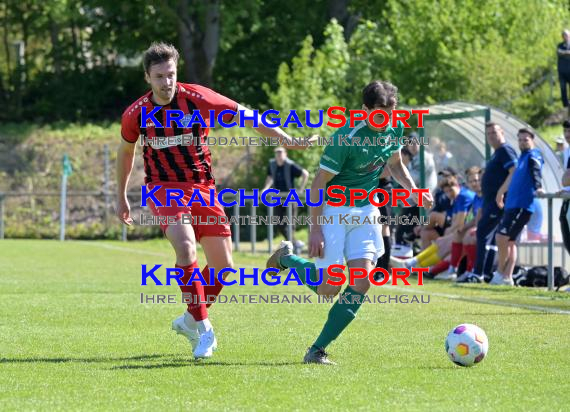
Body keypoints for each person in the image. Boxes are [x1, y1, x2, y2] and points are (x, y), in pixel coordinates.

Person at [116, 42, 310, 359]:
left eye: (171, 74)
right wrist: (121, 195)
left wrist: (287, 139)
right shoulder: (136, 114)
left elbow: (248, 116)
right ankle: (204, 330)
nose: (167, 82)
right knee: (186, 246)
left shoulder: (198, 98)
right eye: (160, 76)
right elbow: (126, 152)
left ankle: (190, 317)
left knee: (223, 268)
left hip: (202, 188)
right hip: (163, 188)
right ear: (147, 78)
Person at [265, 80, 433, 365]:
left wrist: (414, 191)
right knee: (328, 289)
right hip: (332, 211)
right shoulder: (346, 137)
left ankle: (317, 350)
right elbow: (318, 184)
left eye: (391, 112)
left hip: (366, 209)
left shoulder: (395, 128)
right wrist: (315, 229)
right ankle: (288, 260)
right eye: (380, 113)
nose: (387, 118)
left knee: (363, 280)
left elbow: (394, 164)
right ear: (364, 110)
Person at [461, 123, 518, 283]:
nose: (491, 136)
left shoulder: (506, 150)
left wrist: (501, 192)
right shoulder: (497, 153)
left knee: (483, 233)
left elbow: (514, 171)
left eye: (494, 132)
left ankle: (479, 273)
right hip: (490, 202)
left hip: (498, 202)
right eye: (488, 134)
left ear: (502, 132)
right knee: (489, 236)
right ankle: (485, 273)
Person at [492, 129, 544, 286]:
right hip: (512, 205)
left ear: (532, 140)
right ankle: (506, 277)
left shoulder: (534, 154)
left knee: (502, 237)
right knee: (509, 241)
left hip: (523, 205)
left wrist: (539, 187)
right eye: (520, 140)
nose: (522, 143)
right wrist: (502, 192)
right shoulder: (522, 156)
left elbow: (536, 170)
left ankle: (501, 273)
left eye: (526, 140)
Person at [262, 147, 309, 253]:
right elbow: (270, 177)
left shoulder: (290, 165)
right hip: (277, 197)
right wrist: (265, 189)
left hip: (291, 198)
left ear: (285, 154)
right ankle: (295, 243)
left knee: (290, 223)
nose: (279, 155)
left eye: (280, 153)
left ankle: (292, 247)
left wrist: (301, 189)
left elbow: (305, 174)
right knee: (279, 222)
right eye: (277, 153)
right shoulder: (272, 165)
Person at [558, 30, 570, 117]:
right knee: (563, 88)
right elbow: (559, 53)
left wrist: (564, 53)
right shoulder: (560, 45)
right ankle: (565, 104)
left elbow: (562, 53)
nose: (565, 37)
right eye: (564, 36)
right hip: (562, 71)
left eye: (567, 35)